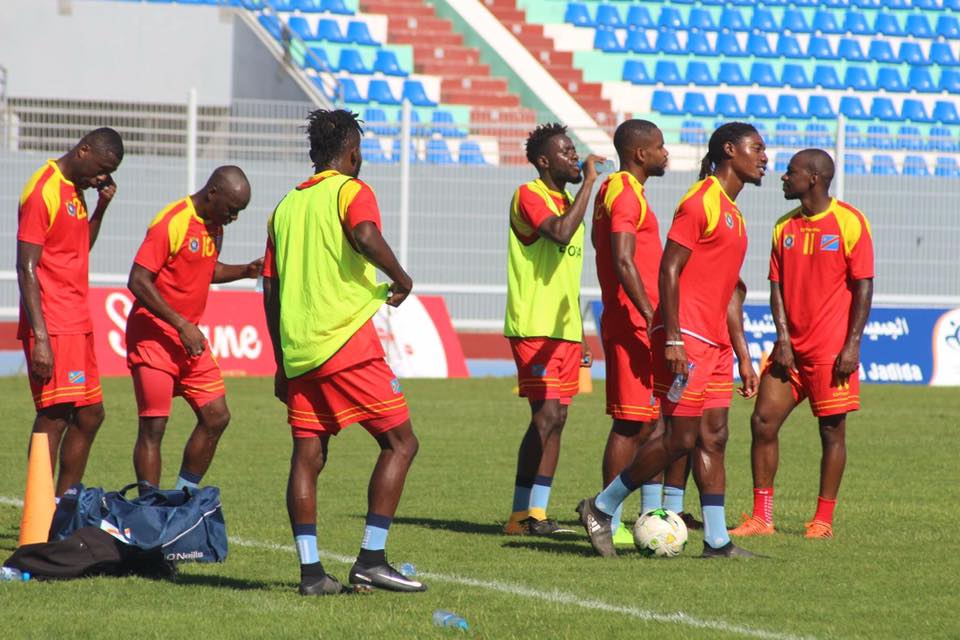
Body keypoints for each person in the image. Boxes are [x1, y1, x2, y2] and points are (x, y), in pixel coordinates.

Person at [577, 122, 765, 558]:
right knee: (678, 437)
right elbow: (669, 268)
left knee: (714, 436)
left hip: (716, 341)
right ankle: (601, 507)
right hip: (689, 336)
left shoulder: (734, 214)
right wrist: (673, 336)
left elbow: (730, 292)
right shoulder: (700, 201)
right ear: (729, 150)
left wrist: (742, 354)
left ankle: (717, 541)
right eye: (756, 148)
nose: (764, 158)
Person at [262, 109, 425, 595]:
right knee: (401, 443)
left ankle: (311, 573)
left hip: (300, 351)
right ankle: (371, 559)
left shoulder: (284, 207)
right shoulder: (351, 191)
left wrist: (281, 361)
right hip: (347, 342)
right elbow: (365, 235)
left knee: (307, 455)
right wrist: (402, 278)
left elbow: (270, 290)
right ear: (352, 152)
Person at [729, 149, 873, 540]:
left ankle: (822, 520)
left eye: (790, 172)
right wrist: (783, 338)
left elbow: (864, 287)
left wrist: (852, 345)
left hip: (831, 352)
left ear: (813, 178)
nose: (783, 177)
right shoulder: (783, 226)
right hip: (789, 351)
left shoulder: (850, 222)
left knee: (831, 432)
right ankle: (762, 518)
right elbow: (776, 287)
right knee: (762, 422)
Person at [126, 166, 260, 491]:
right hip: (154, 338)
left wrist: (245, 270)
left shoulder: (215, 227)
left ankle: (183, 495)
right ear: (213, 192)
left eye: (239, 212)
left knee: (217, 416)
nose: (234, 218)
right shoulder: (172, 222)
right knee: (154, 427)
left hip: (188, 341)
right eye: (232, 209)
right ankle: (149, 508)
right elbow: (138, 280)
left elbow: (205, 268)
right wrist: (181, 324)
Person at [502, 123, 603, 537]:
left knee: (558, 418)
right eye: (566, 152)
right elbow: (560, 233)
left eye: (574, 151)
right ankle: (519, 516)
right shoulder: (529, 195)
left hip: (563, 331)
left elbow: (567, 278)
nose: (575, 158)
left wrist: (579, 333)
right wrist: (591, 182)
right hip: (533, 327)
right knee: (544, 417)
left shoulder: (567, 202)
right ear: (544, 161)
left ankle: (537, 514)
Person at [16, 127, 124, 496]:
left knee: (91, 413)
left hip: (78, 318)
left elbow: (79, 246)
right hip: (53, 323)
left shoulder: (76, 191)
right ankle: (39, 513)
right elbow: (26, 266)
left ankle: (64, 508)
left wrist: (101, 208)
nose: (102, 178)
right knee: (55, 415)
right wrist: (41, 338)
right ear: (84, 150)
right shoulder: (43, 189)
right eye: (101, 169)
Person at [590, 119, 668, 546]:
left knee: (651, 421)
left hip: (637, 317)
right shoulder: (623, 192)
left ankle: (650, 515)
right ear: (640, 153)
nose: (665, 153)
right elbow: (621, 258)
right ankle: (609, 518)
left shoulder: (618, 190)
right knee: (629, 421)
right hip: (634, 320)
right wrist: (650, 313)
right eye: (659, 147)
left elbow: (599, 244)